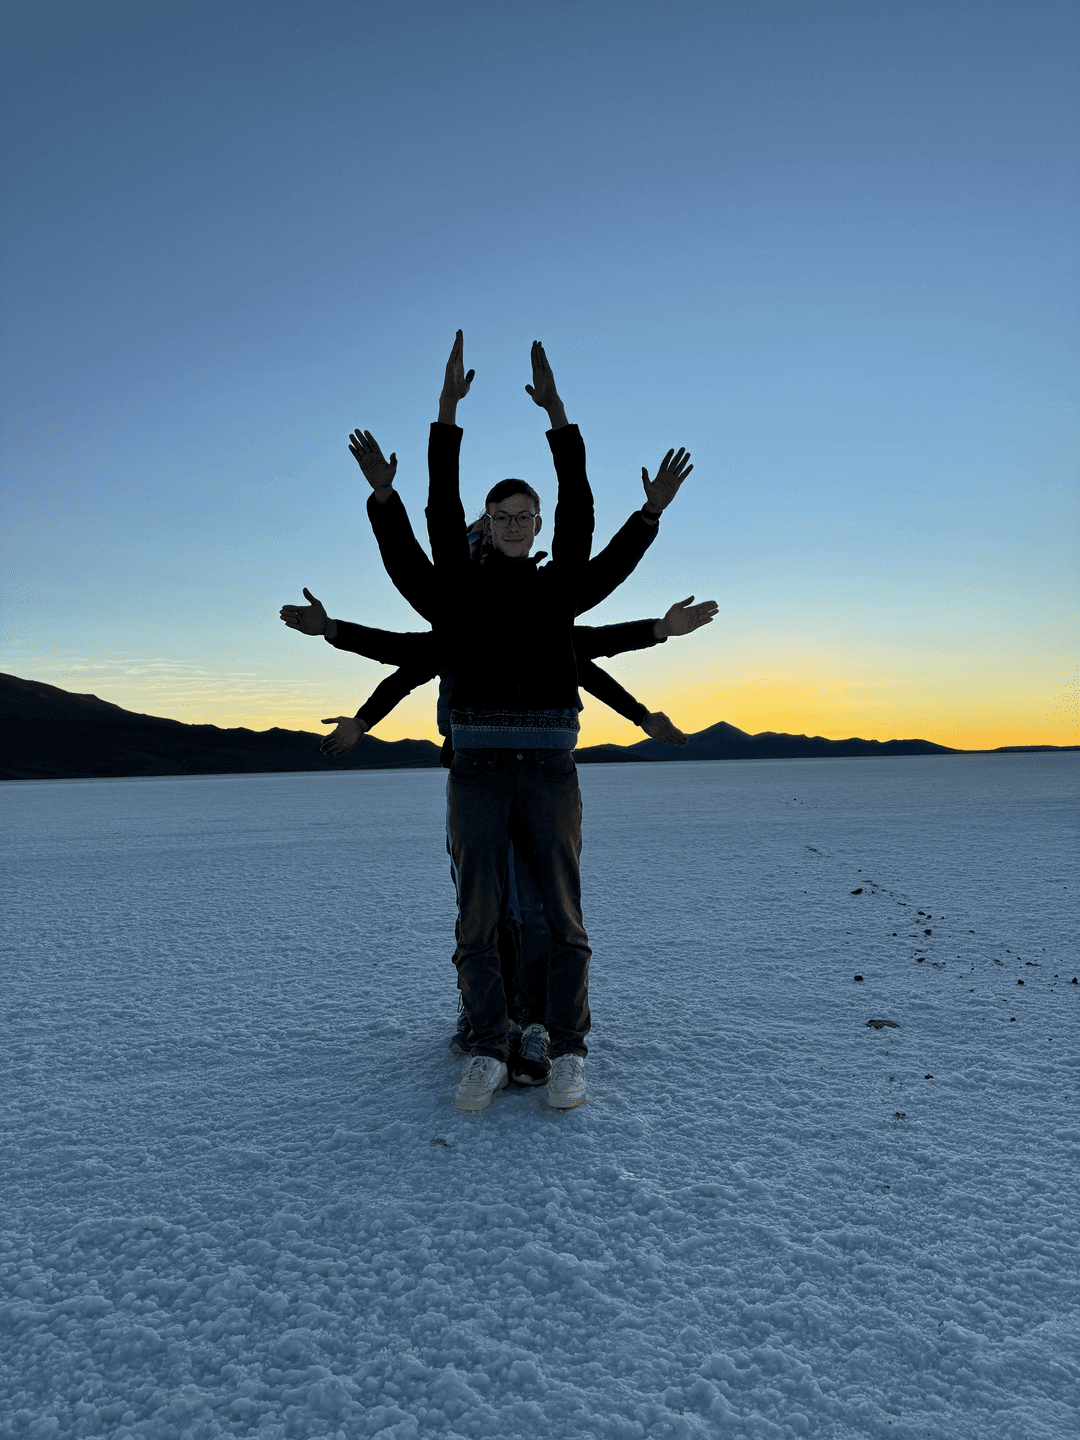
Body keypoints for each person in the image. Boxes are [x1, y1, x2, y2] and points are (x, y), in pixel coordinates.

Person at [279, 592, 717, 1085]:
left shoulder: (537, 625)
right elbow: (403, 661)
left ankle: (533, 1023)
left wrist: (647, 682)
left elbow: (585, 659)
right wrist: (342, 658)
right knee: (484, 904)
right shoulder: (458, 633)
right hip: (475, 776)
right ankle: (490, 1018)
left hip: (531, 770)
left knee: (530, 905)